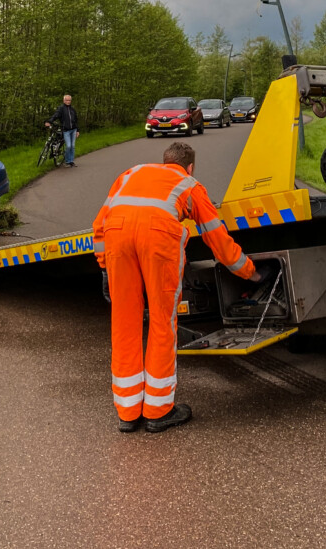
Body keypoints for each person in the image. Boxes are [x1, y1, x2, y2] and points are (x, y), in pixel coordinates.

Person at [92, 141, 260, 433]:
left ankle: (128, 413)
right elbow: (216, 237)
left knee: (124, 322)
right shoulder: (189, 184)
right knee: (161, 321)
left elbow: (99, 224)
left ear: (164, 160)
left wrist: (104, 266)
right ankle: (158, 412)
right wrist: (249, 271)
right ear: (190, 166)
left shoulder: (130, 174)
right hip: (158, 239)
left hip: (116, 237)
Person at [45, 94, 79, 167]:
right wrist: (49, 121)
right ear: (64, 100)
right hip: (66, 130)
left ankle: (71, 161)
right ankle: (67, 161)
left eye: (69, 100)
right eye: (66, 100)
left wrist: (78, 130)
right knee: (68, 146)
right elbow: (56, 115)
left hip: (73, 130)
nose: (68, 101)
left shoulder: (72, 109)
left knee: (72, 146)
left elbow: (76, 120)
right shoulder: (61, 108)